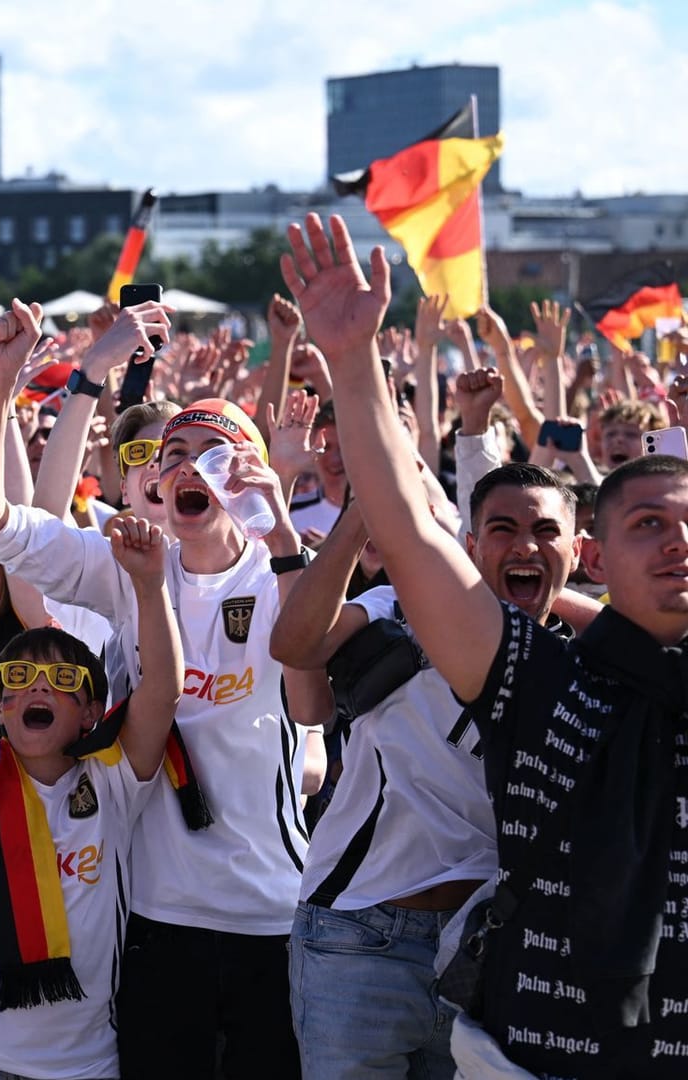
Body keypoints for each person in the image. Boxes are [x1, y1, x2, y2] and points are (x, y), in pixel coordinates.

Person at [282, 210, 688, 1077]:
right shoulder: (538, 679)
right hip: (499, 1018)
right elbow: (398, 542)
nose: (676, 543)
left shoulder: (578, 643)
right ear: (605, 555)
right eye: (648, 523)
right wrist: (354, 370)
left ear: (576, 557)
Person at [0, 301, 329, 1078]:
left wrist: (283, 523)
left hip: (270, 909)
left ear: (249, 473)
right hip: (157, 914)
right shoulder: (127, 562)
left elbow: (311, 702)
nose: (188, 466)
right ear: (151, 478)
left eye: (214, 454)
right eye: (173, 452)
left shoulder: (284, 573)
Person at [271, 465, 592, 1079]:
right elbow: (295, 646)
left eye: (546, 531)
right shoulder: (401, 605)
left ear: (578, 550)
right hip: (359, 938)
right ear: (469, 546)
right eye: (501, 529)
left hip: (489, 950)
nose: (524, 545)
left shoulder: (582, 666)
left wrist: (551, 598)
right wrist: (365, 513)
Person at [0, 486, 181, 1079]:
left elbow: (160, 690)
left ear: (90, 712)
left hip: (81, 1068)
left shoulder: (113, 779)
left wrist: (149, 587)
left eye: (61, 678)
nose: (37, 687)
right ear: (0, 707)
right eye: (20, 676)